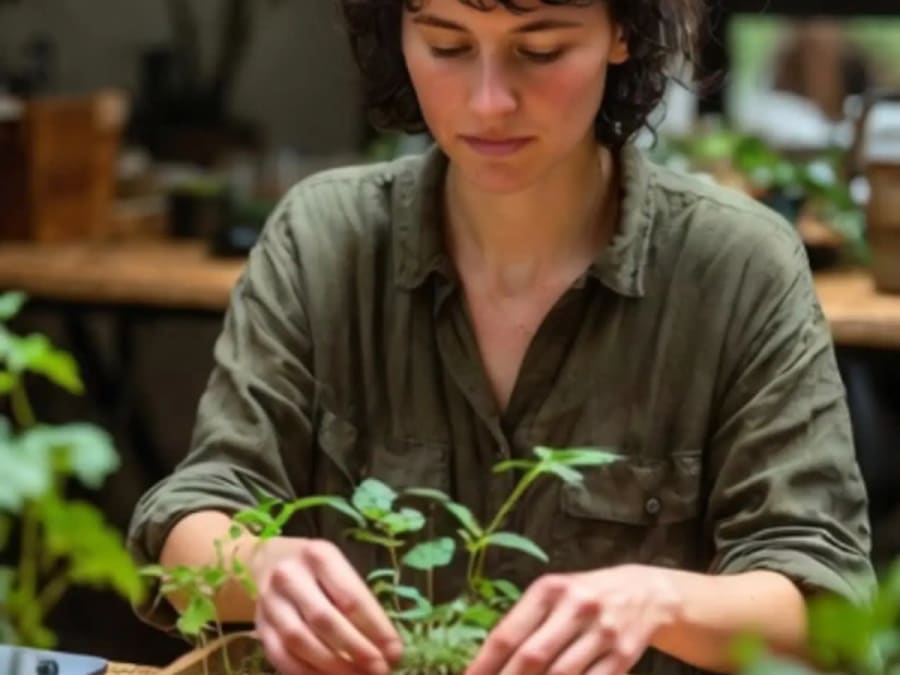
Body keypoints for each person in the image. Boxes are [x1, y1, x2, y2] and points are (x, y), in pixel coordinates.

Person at [127, 1, 876, 674]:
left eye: (541, 50)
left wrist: (660, 601)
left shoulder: (736, 266)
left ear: (622, 32)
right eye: (447, 46)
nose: (488, 101)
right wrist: (264, 567)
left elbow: (827, 608)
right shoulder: (324, 241)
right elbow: (195, 513)